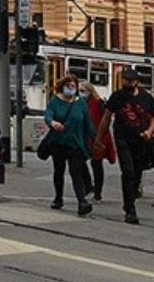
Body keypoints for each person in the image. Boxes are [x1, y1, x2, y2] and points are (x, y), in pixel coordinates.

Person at [94, 67, 154, 225]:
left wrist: (149, 132)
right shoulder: (117, 96)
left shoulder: (145, 97)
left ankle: (132, 195)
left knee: (136, 173)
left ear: (136, 82)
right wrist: (99, 138)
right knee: (128, 172)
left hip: (141, 140)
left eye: (130, 81)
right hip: (123, 138)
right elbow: (107, 117)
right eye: (125, 80)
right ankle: (130, 210)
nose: (127, 83)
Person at [44, 75, 94, 216]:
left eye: (73, 86)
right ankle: (58, 198)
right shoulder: (55, 101)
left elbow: (88, 123)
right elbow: (48, 115)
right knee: (59, 170)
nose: (71, 89)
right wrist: (53, 123)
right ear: (62, 87)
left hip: (75, 143)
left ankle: (82, 202)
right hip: (59, 142)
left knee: (76, 172)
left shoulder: (81, 103)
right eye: (68, 86)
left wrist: (95, 140)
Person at [80, 81, 114, 202]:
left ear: (90, 91)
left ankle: (97, 193)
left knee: (96, 164)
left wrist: (100, 137)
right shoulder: (81, 104)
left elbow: (106, 119)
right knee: (80, 161)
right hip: (85, 137)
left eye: (83, 91)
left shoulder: (98, 104)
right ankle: (88, 186)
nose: (80, 94)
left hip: (98, 137)